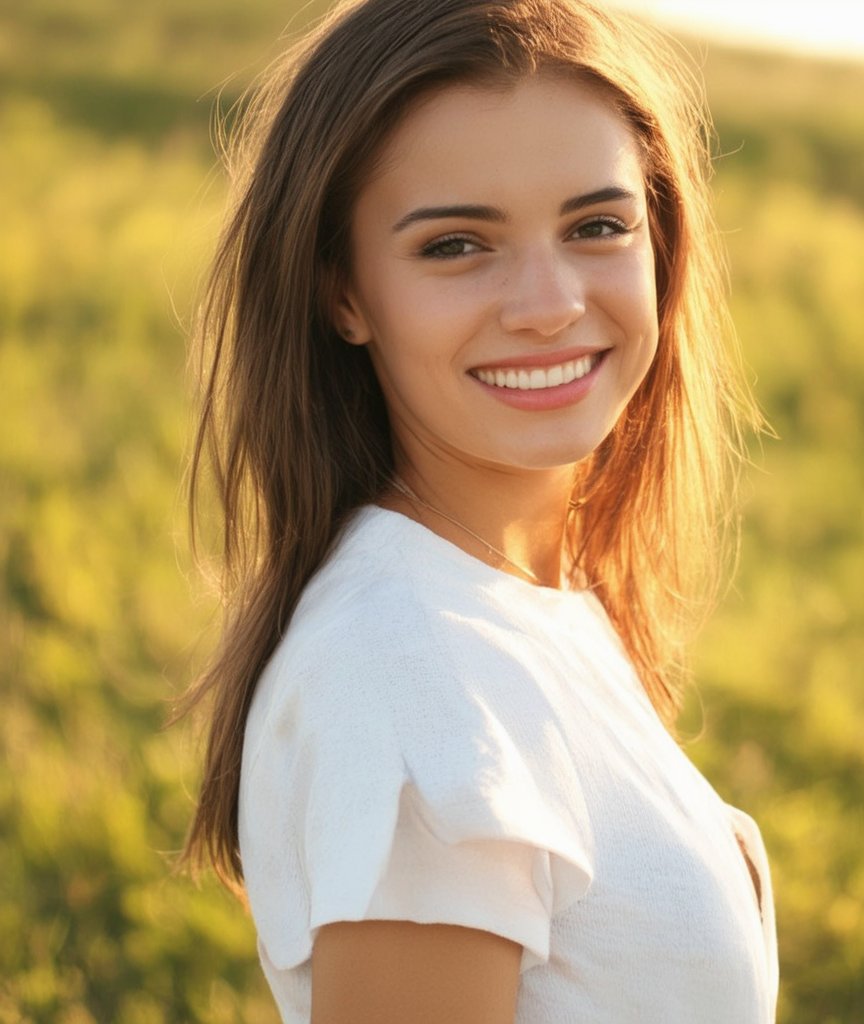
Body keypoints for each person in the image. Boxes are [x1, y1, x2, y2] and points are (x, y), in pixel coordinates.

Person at [180, 0, 776, 1020]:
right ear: (344, 293)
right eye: (457, 245)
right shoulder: (409, 682)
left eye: (596, 226)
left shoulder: (521, 596)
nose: (548, 302)